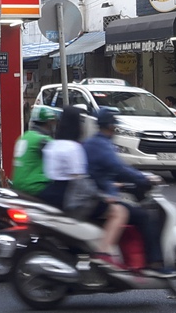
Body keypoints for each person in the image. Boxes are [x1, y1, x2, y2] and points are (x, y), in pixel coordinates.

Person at [84, 107, 176, 278]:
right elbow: (120, 168)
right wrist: (144, 179)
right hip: (100, 199)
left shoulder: (91, 143)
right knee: (144, 217)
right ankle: (154, 263)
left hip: (92, 195)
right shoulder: (103, 145)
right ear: (111, 126)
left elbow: (102, 172)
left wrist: (118, 184)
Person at [39, 106, 129, 263]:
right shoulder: (74, 148)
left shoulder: (52, 145)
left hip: (50, 194)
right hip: (70, 197)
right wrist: (103, 196)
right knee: (119, 211)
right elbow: (80, 180)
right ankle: (104, 252)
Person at [10, 104, 57, 196]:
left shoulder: (25, 136)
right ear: (48, 122)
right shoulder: (43, 140)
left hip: (17, 185)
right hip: (35, 186)